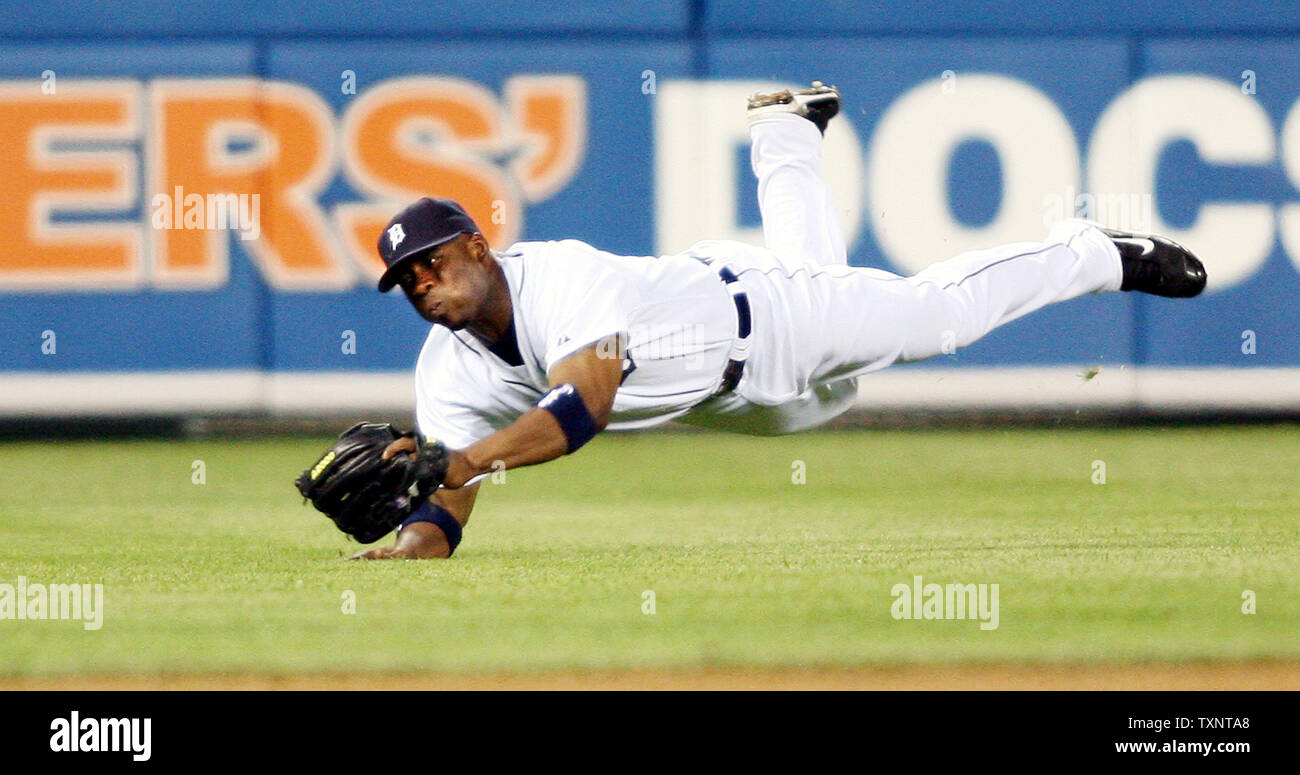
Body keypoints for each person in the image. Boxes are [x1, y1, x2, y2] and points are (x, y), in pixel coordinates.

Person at [350, 81, 1206, 559]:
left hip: (770, 313)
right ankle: (788, 137)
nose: (421, 283)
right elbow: (446, 500)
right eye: (404, 280)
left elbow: (583, 407)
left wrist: (458, 458)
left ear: (475, 245)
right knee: (835, 366)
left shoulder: (562, 275)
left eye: (429, 261)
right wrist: (407, 544)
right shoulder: (447, 372)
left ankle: (1094, 252)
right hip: (742, 409)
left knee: (936, 320)